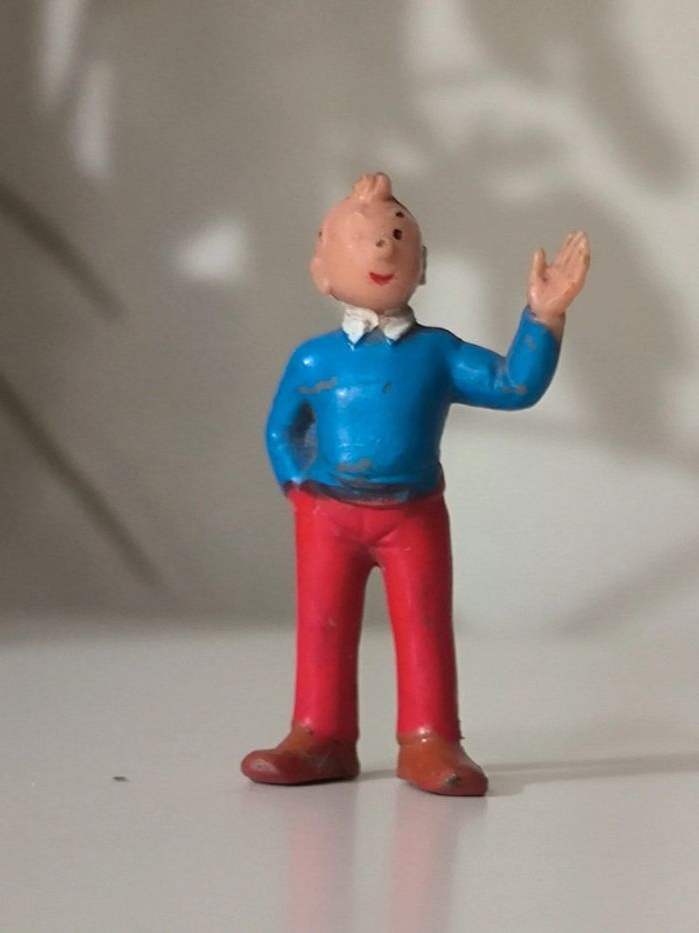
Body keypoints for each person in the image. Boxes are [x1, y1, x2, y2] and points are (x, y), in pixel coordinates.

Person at [241, 172, 589, 795]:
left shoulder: (438, 353)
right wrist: (298, 488)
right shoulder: (314, 358)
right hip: (327, 515)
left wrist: (543, 317)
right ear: (322, 271)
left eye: (398, 236)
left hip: (412, 515)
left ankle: (431, 739)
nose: (383, 247)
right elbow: (281, 428)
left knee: (425, 626)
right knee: (321, 625)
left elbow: (512, 385)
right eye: (363, 237)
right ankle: (319, 736)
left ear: (421, 265)